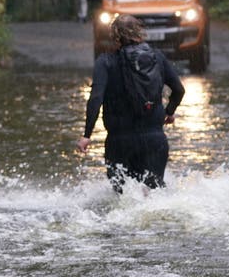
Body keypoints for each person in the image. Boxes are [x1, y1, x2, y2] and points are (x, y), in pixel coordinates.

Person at [76, 14, 185, 192]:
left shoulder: (105, 62)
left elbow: (96, 98)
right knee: (154, 196)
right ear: (139, 33)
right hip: (154, 140)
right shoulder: (157, 57)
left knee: (122, 198)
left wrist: (87, 135)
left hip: (119, 143)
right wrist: (169, 111)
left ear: (114, 36)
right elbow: (179, 90)